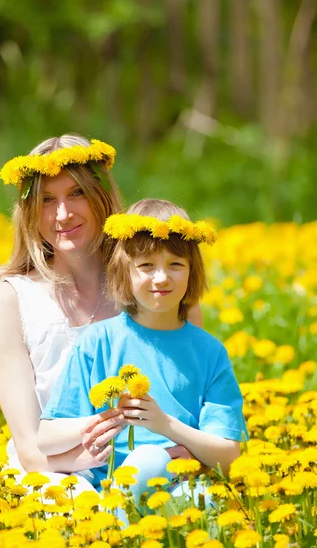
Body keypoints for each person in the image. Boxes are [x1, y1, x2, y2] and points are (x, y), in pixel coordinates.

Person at [0, 135, 203, 494]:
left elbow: (193, 403)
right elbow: (28, 446)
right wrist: (81, 461)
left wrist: (190, 452)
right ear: (29, 210)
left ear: (102, 197)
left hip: (154, 461)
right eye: (46, 200)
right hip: (54, 472)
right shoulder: (9, 300)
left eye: (76, 194)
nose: (63, 214)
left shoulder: (160, 287)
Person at [38, 198, 248, 505]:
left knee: (208, 501)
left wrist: (166, 425)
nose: (161, 277)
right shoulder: (98, 342)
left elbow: (229, 455)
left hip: (184, 481)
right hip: (114, 483)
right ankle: (118, 532)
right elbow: (46, 438)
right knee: (148, 459)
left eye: (175, 265)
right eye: (146, 266)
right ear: (125, 272)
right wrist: (106, 420)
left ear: (192, 271)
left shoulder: (209, 352)